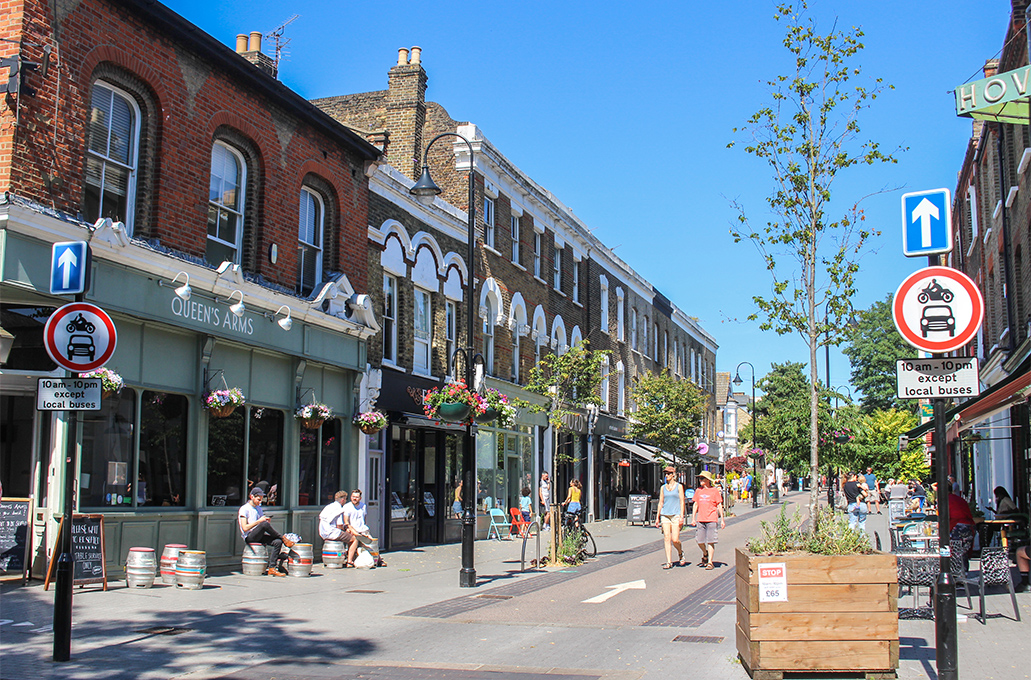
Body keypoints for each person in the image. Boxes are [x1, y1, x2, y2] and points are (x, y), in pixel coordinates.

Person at [238, 487, 294, 576]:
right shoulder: (244, 509)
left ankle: (272, 567)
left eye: (261, 500)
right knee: (264, 524)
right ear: (252, 497)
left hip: (259, 534)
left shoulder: (259, 508)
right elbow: (244, 528)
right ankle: (284, 538)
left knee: (277, 542)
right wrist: (260, 522)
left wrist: (265, 521)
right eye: (258, 499)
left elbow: (262, 524)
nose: (260, 502)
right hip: (249, 536)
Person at [690, 470, 725, 570]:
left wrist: (722, 519)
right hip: (701, 518)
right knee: (699, 541)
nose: (700, 480)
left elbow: (719, 504)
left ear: (708, 480)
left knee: (711, 541)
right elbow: (695, 504)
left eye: (702, 478)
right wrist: (693, 518)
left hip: (712, 518)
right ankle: (705, 553)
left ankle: (710, 562)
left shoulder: (714, 491)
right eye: (700, 478)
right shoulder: (698, 490)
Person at [655, 466, 686, 569]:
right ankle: (669, 561)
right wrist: (657, 517)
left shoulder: (679, 487)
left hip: (675, 514)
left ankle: (680, 552)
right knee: (667, 538)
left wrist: (682, 516)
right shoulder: (663, 488)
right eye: (666, 474)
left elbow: (682, 501)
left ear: (673, 475)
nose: (667, 475)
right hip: (665, 514)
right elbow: (661, 502)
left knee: (675, 539)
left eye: (668, 473)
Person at [342, 489, 377, 568]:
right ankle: (349, 561)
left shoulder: (363, 506)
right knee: (354, 540)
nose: (354, 498)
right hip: (352, 530)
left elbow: (364, 520)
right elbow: (346, 521)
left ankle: (377, 560)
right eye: (353, 497)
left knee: (372, 543)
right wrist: (352, 530)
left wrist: (365, 530)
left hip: (362, 529)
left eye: (357, 497)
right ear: (351, 497)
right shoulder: (347, 507)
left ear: (360, 498)